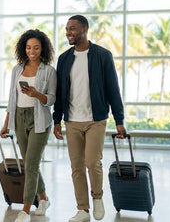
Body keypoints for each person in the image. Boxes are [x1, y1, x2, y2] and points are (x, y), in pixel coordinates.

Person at [53, 15, 127, 222]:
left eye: (73, 28)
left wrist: (119, 120)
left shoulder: (103, 55)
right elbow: (60, 93)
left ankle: (97, 198)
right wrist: (56, 120)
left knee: (92, 162)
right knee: (76, 166)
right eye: (67, 28)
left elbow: (113, 89)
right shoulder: (64, 58)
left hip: (96, 119)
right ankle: (83, 210)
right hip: (72, 120)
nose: (68, 32)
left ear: (85, 29)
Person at [0, 29, 57, 222]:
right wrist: (6, 123)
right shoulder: (17, 69)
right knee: (29, 163)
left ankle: (25, 209)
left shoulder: (49, 71)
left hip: (39, 119)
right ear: (23, 48)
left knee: (31, 165)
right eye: (28, 47)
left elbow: (51, 99)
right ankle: (44, 199)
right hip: (19, 118)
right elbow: (11, 98)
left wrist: (36, 94)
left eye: (36, 47)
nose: (32, 51)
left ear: (43, 49)